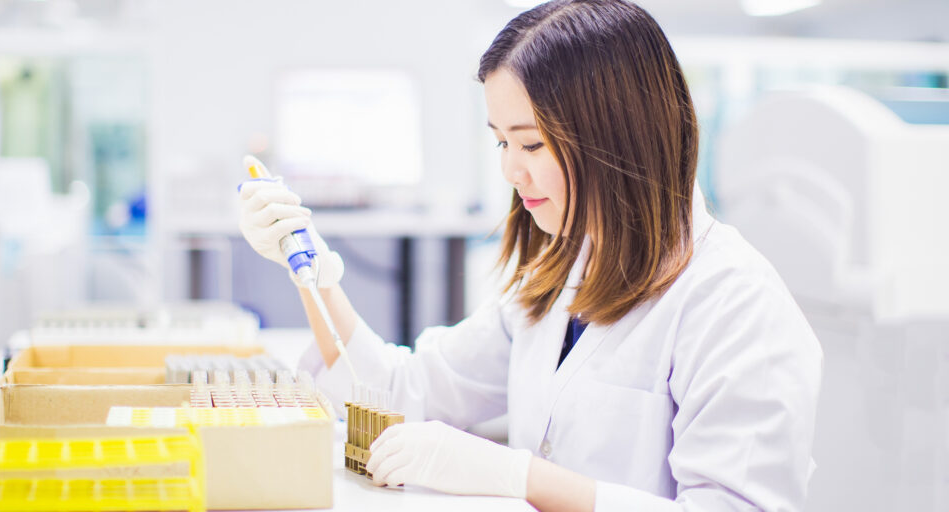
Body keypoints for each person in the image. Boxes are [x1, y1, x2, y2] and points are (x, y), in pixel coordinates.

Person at [238, 0, 823, 510]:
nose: (510, 170)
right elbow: (402, 391)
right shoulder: (562, 276)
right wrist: (309, 268)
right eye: (500, 141)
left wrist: (520, 477)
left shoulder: (737, 304)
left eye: (532, 143)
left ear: (618, 134)